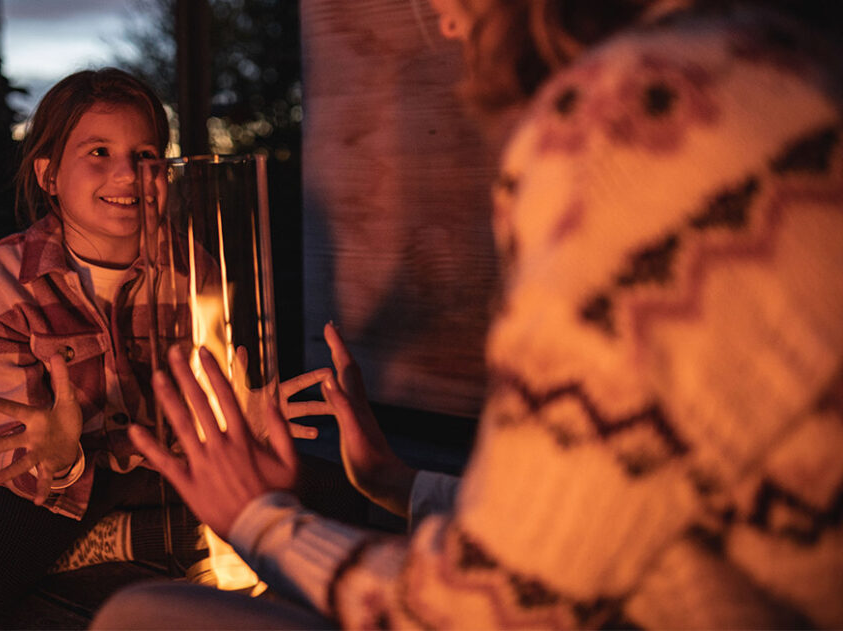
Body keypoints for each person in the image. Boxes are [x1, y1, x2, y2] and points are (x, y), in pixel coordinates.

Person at [91, 1, 843, 628]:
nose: (447, 27)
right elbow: (637, 468)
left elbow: (492, 606)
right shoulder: (781, 59)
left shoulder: (636, 120)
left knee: (141, 615)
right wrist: (400, 482)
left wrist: (260, 520)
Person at [0, 67, 327, 628]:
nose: (128, 174)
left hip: (163, 470)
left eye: (145, 154)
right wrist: (60, 455)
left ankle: (115, 538)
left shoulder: (193, 268)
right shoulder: (6, 279)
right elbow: (20, 450)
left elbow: (211, 398)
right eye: (99, 152)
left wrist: (240, 423)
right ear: (49, 174)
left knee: (331, 502)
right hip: (54, 485)